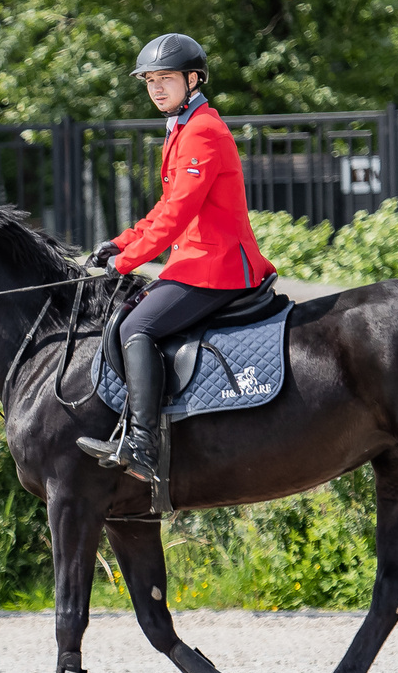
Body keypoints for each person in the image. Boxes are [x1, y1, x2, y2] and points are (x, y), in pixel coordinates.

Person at [80, 33, 276, 483]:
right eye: (150, 81)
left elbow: (178, 213)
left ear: (193, 79)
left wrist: (125, 264)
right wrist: (120, 243)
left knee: (136, 326)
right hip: (195, 261)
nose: (156, 88)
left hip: (219, 265)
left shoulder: (204, 130)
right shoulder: (184, 128)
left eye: (165, 79)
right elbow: (166, 209)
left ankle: (143, 444)